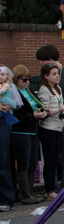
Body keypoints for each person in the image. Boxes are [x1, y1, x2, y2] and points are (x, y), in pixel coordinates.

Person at [34, 45, 64, 189]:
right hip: (51, 122)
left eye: (43, 60)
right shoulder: (44, 78)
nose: (41, 63)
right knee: (51, 157)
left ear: (51, 60)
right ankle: (51, 187)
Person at [9, 65, 46, 204]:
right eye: (24, 79)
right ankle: (24, 194)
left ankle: (29, 192)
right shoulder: (13, 92)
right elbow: (16, 114)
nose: (27, 82)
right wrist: (32, 116)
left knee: (32, 163)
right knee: (23, 163)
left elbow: (36, 104)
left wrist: (42, 111)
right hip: (20, 132)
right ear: (16, 79)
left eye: (29, 79)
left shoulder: (29, 91)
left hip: (32, 131)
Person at [37, 63, 64, 200]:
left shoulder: (58, 89)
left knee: (56, 159)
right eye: (54, 74)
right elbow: (45, 111)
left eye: (57, 73)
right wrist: (60, 110)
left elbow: (60, 110)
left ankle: (54, 187)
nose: (57, 76)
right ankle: (49, 189)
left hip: (58, 126)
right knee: (49, 159)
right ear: (46, 76)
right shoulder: (44, 90)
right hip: (48, 128)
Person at [0, 70, 18, 211]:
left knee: (3, 159)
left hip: (2, 122)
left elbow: (15, 103)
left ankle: (6, 199)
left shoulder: (8, 86)